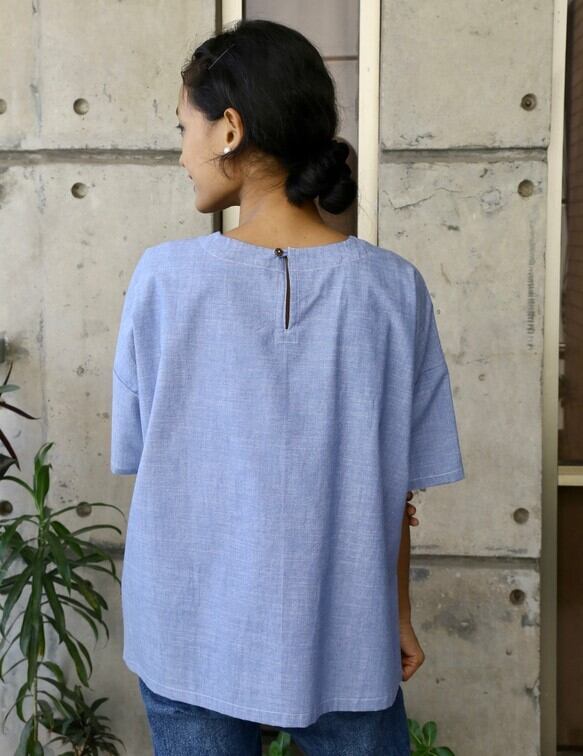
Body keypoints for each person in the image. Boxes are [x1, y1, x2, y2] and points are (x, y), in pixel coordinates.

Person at [110, 18, 464, 756]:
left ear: (229, 129)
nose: (182, 154)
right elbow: (396, 487)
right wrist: (396, 614)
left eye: (184, 129)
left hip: (188, 629)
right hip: (347, 631)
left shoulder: (164, 280)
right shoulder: (393, 289)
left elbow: (153, 463)